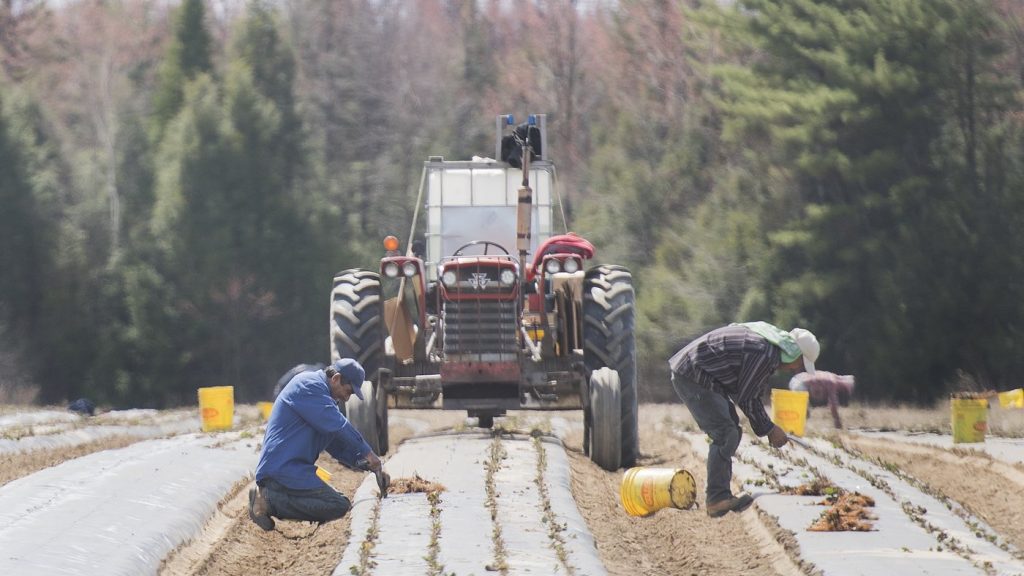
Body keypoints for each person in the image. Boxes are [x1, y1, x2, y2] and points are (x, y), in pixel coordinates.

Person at [668, 322, 820, 518]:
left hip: (699, 374)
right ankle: (717, 499)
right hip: (693, 375)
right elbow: (747, 398)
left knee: (731, 428)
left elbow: (750, 391)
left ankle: (720, 494)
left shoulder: (766, 343)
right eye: (799, 363)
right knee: (725, 432)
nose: (795, 369)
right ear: (793, 353)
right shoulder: (763, 353)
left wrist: (767, 427)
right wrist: (770, 429)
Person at [249, 358, 389, 531]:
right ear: (336, 378)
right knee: (338, 505)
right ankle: (267, 502)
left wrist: (366, 464)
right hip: (282, 469)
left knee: (338, 503)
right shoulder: (309, 386)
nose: (347, 398)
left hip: (294, 469)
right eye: (348, 391)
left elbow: (335, 446)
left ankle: (272, 498)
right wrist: (369, 453)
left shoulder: (323, 399)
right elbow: (340, 426)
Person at [789, 370, 855, 429]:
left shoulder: (831, 376)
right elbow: (833, 404)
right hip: (799, 383)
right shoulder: (832, 382)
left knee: (805, 412)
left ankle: (801, 428)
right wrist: (837, 420)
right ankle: (796, 428)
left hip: (796, 379)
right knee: (802, 412)